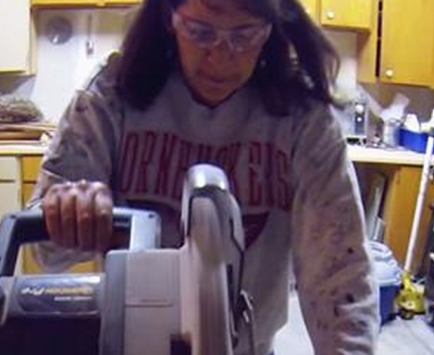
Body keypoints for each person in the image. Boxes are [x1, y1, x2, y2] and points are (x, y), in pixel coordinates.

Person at [27, 0, 379, 353]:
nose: (221, 56)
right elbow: (44, 253)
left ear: (272, 28)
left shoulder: (303, 122)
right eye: (200, 32)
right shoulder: (110, 98)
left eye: (244, 35)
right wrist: (68, 212)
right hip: (131, 342)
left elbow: (340, 275)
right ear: (169, 18)